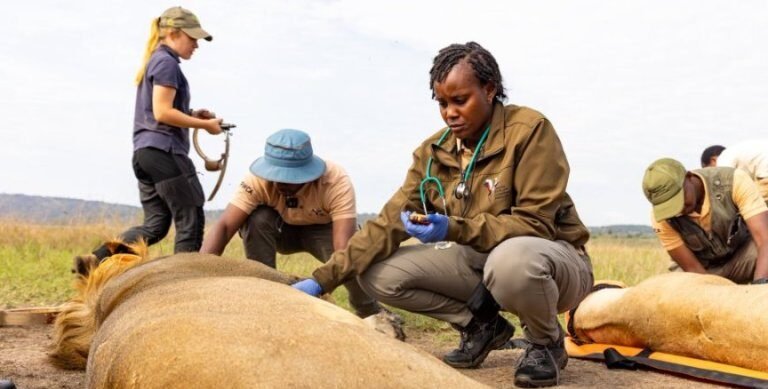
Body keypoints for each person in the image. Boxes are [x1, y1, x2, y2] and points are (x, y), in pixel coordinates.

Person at [292, 42, 593, 388]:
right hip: (480, 262)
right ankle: (481, 326)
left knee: (511, 261)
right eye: (442, 103)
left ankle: (545, 344)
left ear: (490, 89)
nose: (450, 112)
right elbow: (385, 225)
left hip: (551, 262)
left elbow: (534, 224)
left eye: (460, 100)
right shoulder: (433, 153)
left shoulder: (530, 131)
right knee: (376, 272)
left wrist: (452, 227)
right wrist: (322, 279)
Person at [200, 129, 400, 330]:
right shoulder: (256, 179)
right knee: (257, 218)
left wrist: (321, 283)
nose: (282, 183)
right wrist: (199, 270)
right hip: (280, 231)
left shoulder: (335, 180)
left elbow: (343, 249)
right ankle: (264, 294)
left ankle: (370, 311)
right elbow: (225, 227)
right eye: (277, 177)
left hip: (322, 232)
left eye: (290, 179)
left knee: (352, 253)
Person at [75, 7, 223, 271]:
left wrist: (191, 113)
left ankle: (95, 260)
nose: (196, 45)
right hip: (165, 153)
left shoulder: (156, 60)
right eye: (192, 38)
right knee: (190, 216)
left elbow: (158, 110)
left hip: (145, 154)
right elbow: (163, 112)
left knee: (155, 225)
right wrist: (205, 125)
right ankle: (182, 284)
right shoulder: (166, 63)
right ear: (173, 33)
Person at [642, 158, 768, 284]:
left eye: (679, 200)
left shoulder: (734, 181)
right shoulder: (662, 218)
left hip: (742, 259)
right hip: (701, 271)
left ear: (689, 177)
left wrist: (760, 286)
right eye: (670, 207)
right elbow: (692, 268)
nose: (678, 210)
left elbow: (764, 241)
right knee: (674, 291)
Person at [701, 141, 768, 203]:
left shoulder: (723, 158)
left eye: (709, 170)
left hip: (765, 173)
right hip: (763, 171)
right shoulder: (739, 153)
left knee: (751, 204)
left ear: (713, 160)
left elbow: (725, 184)